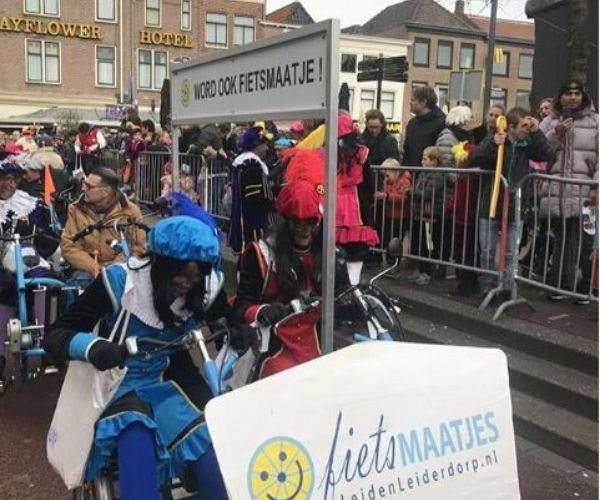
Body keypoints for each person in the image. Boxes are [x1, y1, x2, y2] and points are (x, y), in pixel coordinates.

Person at [44, 215, 238, 500]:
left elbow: (224, 321)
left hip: (165, 379)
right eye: (181, 273)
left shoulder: (204, 286)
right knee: (136, 436)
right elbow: (57, 334)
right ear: (160, 264)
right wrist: (93, 347)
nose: (188, 282)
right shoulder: (122, 282)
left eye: (196, 274)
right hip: (115, 382)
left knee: (209, 440)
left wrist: (239, 330)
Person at [234, 150, 343, 378]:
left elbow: (344, 296)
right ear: (285, 221)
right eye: (297, 223)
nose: (304, 230)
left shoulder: (329, 253)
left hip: (320, 338)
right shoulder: (261, 253)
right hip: (272, 339)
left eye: (310, 223)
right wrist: (264, 311)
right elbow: (242, 306)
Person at [470, 107, 553, 298]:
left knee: (510, 253)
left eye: (528, 125)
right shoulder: (495, 139)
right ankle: (487, 289)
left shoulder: (528, 143)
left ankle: (507, 290)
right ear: (512, 127)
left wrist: (536, 131)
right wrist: (492, 143)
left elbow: (547, 154)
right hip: (491, 203)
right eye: (523, 126)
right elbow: (474, 158)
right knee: (488, 253)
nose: (526, 129)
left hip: (516, 206)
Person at [0, 158, 59, 392]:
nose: (10, 184)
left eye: (14, 179)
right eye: (5, 178)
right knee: (3, 291)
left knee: (48, 283)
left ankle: (49, 349)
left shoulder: (31, 205)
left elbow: (46, 238)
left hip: (27, 260)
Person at [539, 80, 598, 303]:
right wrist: (556, 133)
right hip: (559, 192)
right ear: (560, 97)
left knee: (585, 240)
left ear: (582, 96)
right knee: (562, 239)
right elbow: (540, 152)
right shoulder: (549, 121)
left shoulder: (595, 122)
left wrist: (596, 186)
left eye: (576, 93)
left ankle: (584, 289)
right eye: (568, 93)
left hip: (587, 193)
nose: (572, 97)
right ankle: (560, 284)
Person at [61, 167, 146, 291]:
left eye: (89, 186)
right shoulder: (75, 209)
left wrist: (113, 268)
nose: (83, 188)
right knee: (78, 284)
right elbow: (68, 246)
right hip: (86, 270)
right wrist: (94, 267)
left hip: (121, 269)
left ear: (105, 191)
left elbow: (138, 247)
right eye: (84, 184)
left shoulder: (130, 211)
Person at [336, 114, 379, 285]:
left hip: (333, 206)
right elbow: (368, 183)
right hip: (358, 206)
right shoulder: (362, 153)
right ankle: (353, 288)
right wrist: (369, 200)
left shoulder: (328, 153)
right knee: (356, 253)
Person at [407, 147, 453, 285]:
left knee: (428, 245)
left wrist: (410, 192)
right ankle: (422, 269)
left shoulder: (436, 175)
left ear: (434, 161)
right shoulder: (424, 173)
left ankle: (427, 272)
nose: (421, 161)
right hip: (421, 214)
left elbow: (426, 194)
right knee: (421, 243)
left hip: (430, 215)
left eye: (425, 159)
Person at [228, 126, 274, 254]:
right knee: (257, 257)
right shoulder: (251, 164)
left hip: (244, 219)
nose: (266, 148)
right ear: (256, 145)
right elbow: (257, 197)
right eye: (264, 144)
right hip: (254, 223)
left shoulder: (243, 162)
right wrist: (273, 201)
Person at [402, 86, 446, 167]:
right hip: (411, 175)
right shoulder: (411, 124)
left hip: (431, 176)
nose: (410, 102)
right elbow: (406, 151)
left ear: (423, 102)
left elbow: (443, 154)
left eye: (413, 100)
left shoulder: (442, 123)